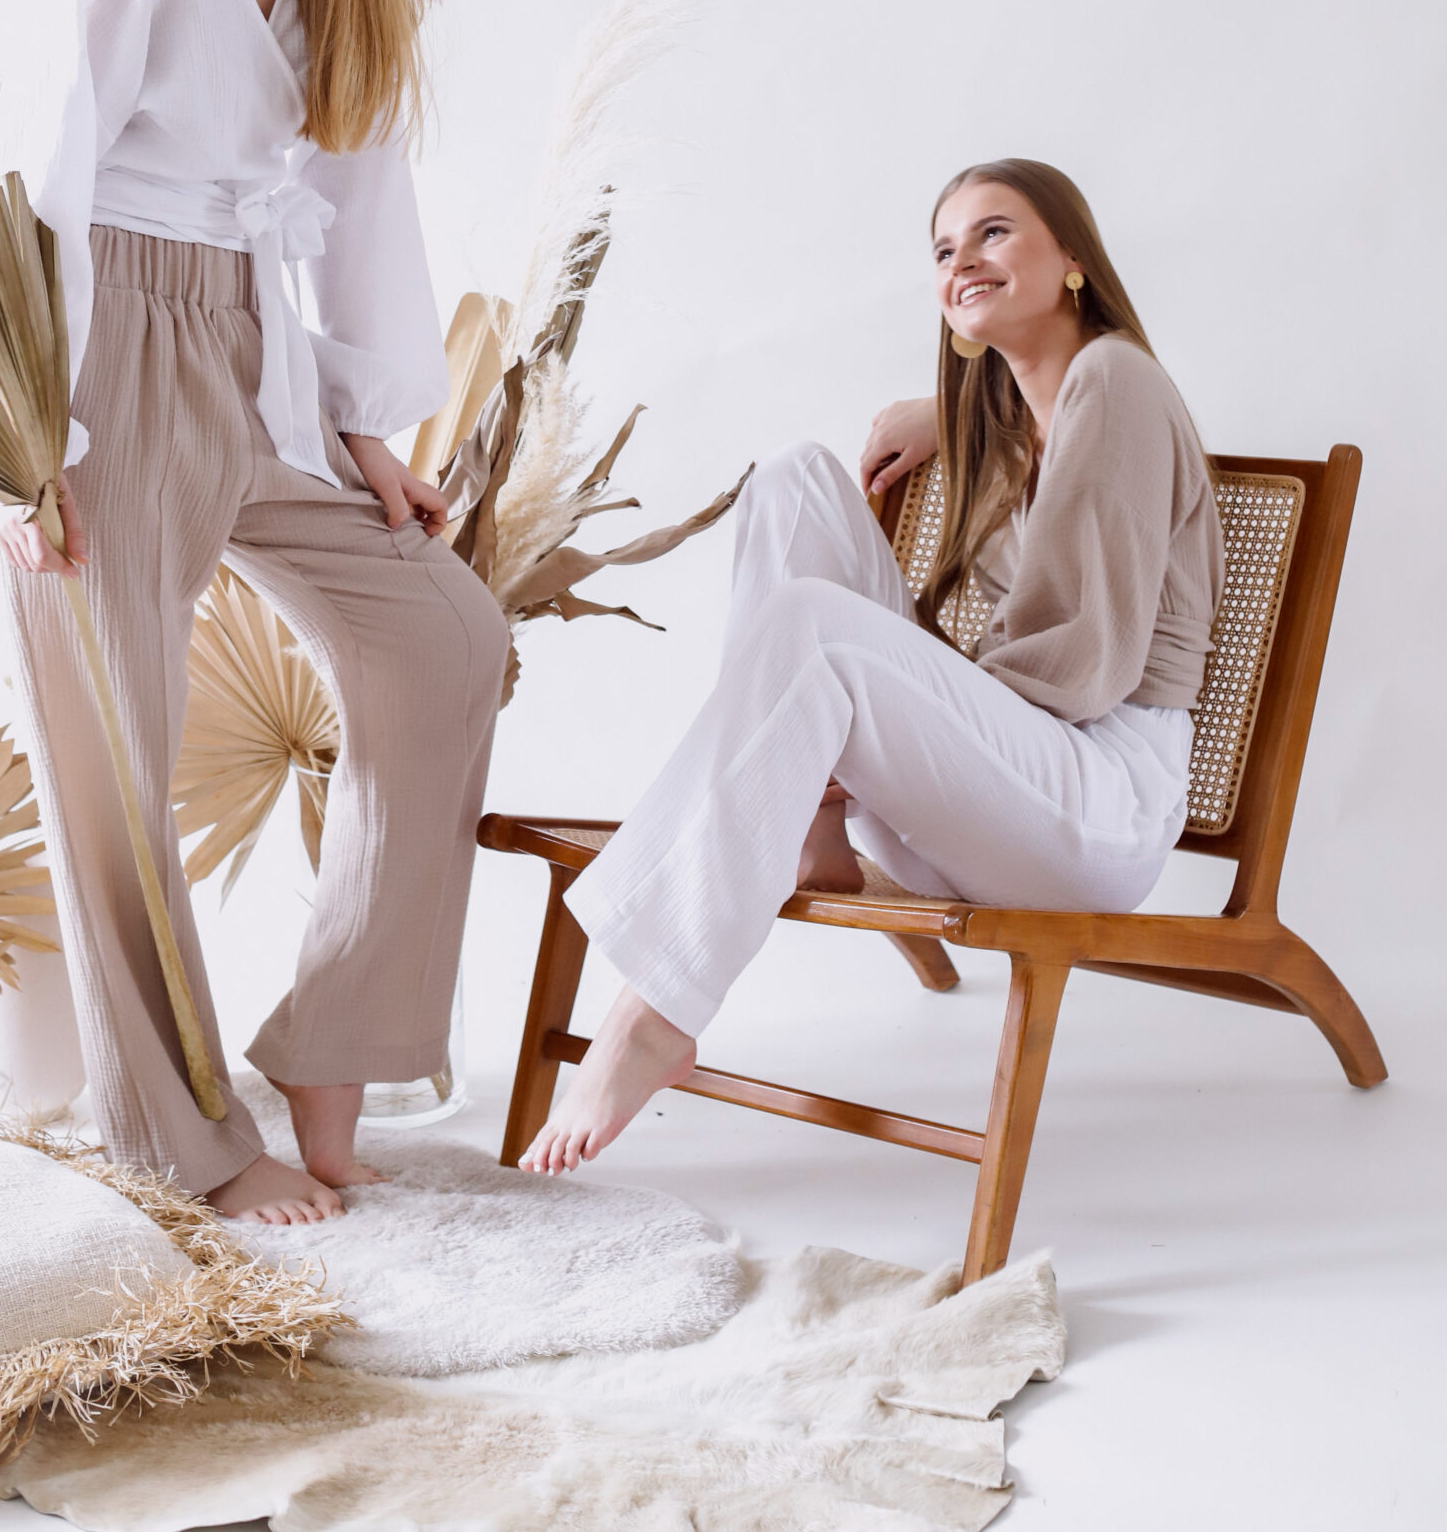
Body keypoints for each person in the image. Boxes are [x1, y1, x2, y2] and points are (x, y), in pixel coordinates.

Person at [0, 0, 509, 1224]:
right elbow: (28, 193)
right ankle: (184, 1140)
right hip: (103, 362)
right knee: (115, 764)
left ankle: (336, 1050)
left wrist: (363, 426)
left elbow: (358, 204)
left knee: (445, 638)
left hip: (249, 348)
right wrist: (17, 442)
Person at [520, 158, 1223, 1174]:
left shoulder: (1116, 381)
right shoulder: (1024, 415)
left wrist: (885, 717)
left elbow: (1083, 661)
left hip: (1091, 805)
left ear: (1072, 255)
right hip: (992, 803)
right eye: (944, 248)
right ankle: (811, 830)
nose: (962, 259)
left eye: (993, 232)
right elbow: (1028, 429)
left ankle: (654, 1007)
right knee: (794, 480)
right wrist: (951, 409)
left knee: (814, 626)